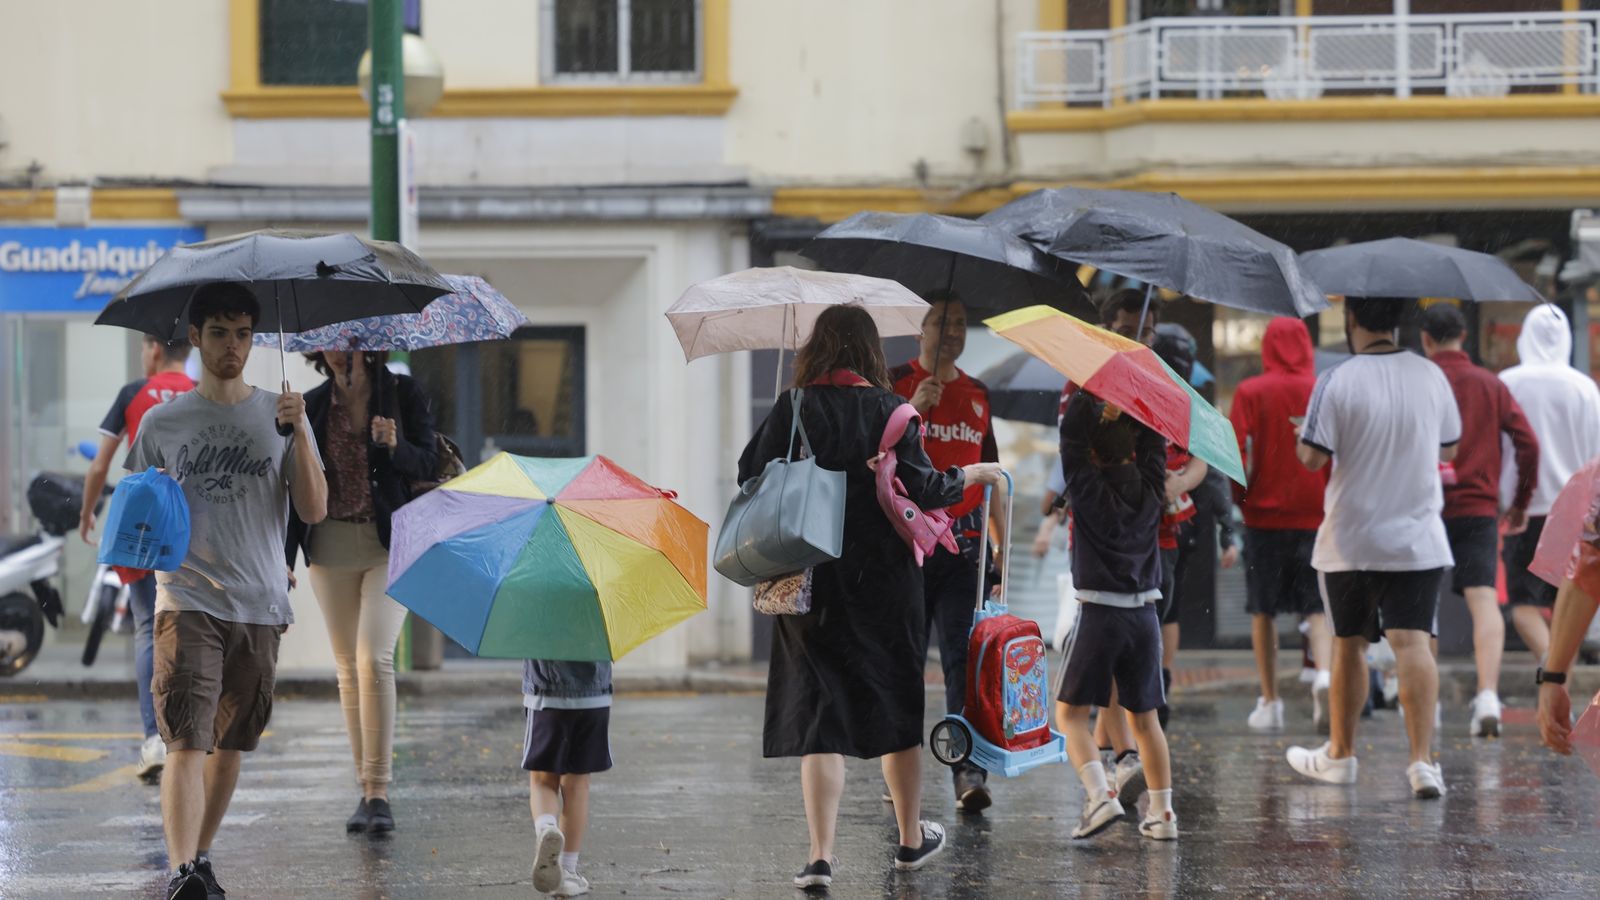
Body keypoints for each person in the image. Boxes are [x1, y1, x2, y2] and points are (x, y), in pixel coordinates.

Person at [736, 304, 1002, 890]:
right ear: (869, 352)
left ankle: (820, 857)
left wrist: (796, 442)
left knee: (820, 715)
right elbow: (928, 490)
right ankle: (910, 840)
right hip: (884, 585)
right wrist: (973, 476)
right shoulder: (895, 412)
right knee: (896, 704)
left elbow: (747, 472)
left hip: (809, 581)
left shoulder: (794, 406)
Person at [128, 282, 327, 900]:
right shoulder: (164, 422)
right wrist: (156, 502)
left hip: (260, 601)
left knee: (232, 741)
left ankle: (203, 855)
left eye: (243, 334)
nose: (232, 347)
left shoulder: (282, 412)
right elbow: (135, 517)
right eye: (219, 333)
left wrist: (299, 435)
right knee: (186, 737)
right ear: (195, 338)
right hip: (186, 599)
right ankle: (182, 871)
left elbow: (315, 510)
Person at [1287, 297, 1460, 801]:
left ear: (1352, 320)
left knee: (1349, 645)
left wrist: (1304, 433)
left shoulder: (1336, 380)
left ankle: (1340, 755)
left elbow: (1312, 459)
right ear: (1397, 321)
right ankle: (1422, 762)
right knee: (1412, 643)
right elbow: (1450, 447)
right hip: (1418, 539)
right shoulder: (1431, 377)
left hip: (1352, 540)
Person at [284, 350, 438, 834]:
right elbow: (292, 485)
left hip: (389, 544)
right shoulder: (308, 404)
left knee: (374, 658)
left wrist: (396, 445)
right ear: (317, 349)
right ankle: (363, 791)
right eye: (329, 341)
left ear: (369, 343)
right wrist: (281, 559)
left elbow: (430, 460)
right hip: (329, 545)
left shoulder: (402, 393)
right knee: (348, 668)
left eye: (349, 339)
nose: (340, 348)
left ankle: (379, 791)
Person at [889, 290, 1003, 814]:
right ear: (921, 330)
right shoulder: (893, 383)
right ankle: (902, 770)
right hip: (907, 543)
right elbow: (875, 457)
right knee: (905, 659)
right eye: (941, 323)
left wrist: (1002, 555)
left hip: (965, 550)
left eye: (960, 323)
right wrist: (915, 409)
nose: (952, 332)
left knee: (961, 660)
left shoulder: (980, 393)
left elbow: (993, 477)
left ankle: (967, 768)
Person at [1054, 390, 1177, 841]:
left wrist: (1088, 396)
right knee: (1146, 719)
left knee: (1069, 715)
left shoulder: (1086, 486)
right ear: (1133, 450)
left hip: (1098, 616)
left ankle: (1100, 796)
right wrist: (1137, 408)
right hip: (1145, 616)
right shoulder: (1150, 486)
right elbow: (1156, 447)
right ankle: (1163, 816)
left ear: (1091, 453)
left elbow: (1069, 441)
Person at [78, 334, 196, 783]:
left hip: (142, 527)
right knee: (194, 626)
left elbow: (99, 465)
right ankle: (193, 735)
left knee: (149, 627)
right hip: (193, 527)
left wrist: (88, 514)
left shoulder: (134, 394)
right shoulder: (199, 393)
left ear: (152, 348)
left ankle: (154, 739)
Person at [1419, 303, 1539, 737]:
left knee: (1422, 603)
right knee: (1483, 598)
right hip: (1478, 508)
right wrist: (1521, 499)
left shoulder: (1422, 381)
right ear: (1464, 337)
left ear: (1426, 340)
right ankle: (1487, 694)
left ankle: (1424, 700)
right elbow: (1528, 443)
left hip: (1427, 505)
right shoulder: (1491, 385)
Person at [1228, 318, 1333, 733]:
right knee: (1317, 606)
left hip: (1264, 518)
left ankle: (1270, 701)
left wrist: (1243, 498)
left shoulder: (1250, 391)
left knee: (1263, 610)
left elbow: (1234, 451)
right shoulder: (1322, 388)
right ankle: (1322, 676)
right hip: (1317, 513)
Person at [1499, 304, 1600, 663]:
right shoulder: (1585, 388)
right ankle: (1560, 693)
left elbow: (1500, 449)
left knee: (1523, 605)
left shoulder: (1509, 383)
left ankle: (1548, 664)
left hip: (1525, 507)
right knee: (1566, 611)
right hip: (1575, 512)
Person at [524, 658, 612, 898]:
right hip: (594, 698)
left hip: (547, 695)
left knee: (543, 780)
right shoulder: (603, 619)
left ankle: (547, 828)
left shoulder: (537, 617)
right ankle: (568, 873)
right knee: (578, 786)